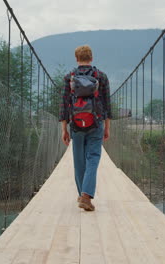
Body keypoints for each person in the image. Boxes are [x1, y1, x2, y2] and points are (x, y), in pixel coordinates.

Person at [59, 45, 112, 211]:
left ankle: (83, 194)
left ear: (76, 59)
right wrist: (107, 128)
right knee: (93, 158)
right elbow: (107, 105)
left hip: (75, 124)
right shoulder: (101, 76)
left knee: (79, 160)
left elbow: (64, 105)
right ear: (92, 57)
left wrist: (64, 129)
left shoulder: (70, 77)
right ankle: (86, 196)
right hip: (96, 122)